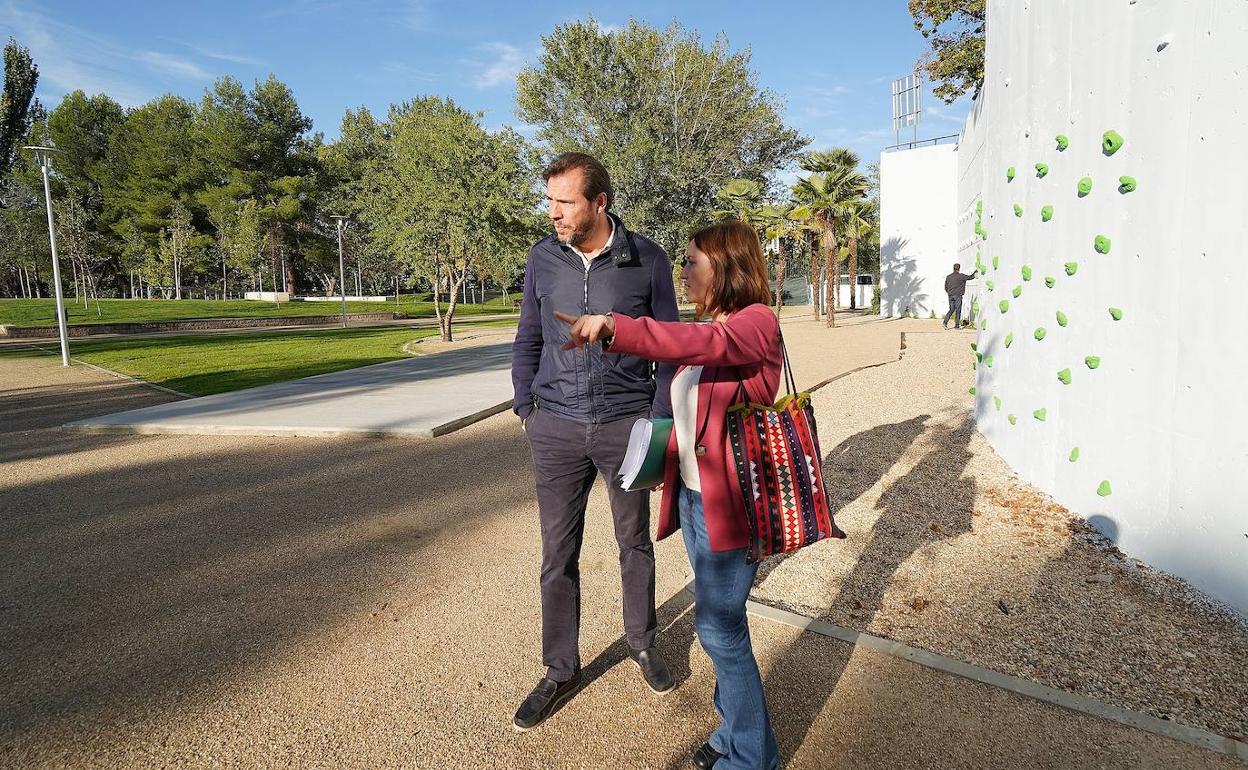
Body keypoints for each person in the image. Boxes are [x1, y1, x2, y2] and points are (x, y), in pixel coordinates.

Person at [558, 220, 782, 770]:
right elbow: (693, 410)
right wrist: (661, 458)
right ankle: (732, 737)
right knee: (719, 626)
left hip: (731, 507)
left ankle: (754, 759)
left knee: (718, 628)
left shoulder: (754, 323)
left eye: (692, 262)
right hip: (694, 497)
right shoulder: (718, 322)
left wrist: (617, 326)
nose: (684, 272)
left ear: (725, 268)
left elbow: (705, 345)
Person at [510, 152, 680, 731]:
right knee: (557, 553)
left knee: (634, 542)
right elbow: (528, 336)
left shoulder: (647, 260)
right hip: (555, 427)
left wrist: (655, 423)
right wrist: (526, 407)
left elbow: (669, 344)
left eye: (565, 202)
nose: (553, 213)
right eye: (551, 200)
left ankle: (641, 642)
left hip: (623, 425)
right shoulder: (542, 257)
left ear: (599, 202)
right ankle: (560, 669)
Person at [942, 262, 977, 329]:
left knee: (951, 309)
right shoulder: (961, 276)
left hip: (950, 295)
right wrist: (976, 271)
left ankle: (945, 323)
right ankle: (956, 326)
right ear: (959, 269)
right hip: (958, 295)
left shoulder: (948, 277)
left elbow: (945, 287)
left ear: (953, 268)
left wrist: (949, 293)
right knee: (958, 310)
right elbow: (971, 277)